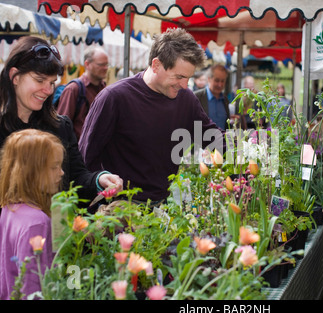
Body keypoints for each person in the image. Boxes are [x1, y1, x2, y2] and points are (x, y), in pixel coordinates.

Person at [79, 28, 224, 204]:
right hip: (121, 207)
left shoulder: (186, 99)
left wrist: (252, 149)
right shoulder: (114, 97)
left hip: (163, 205)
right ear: (156, 65)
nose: (185, 85)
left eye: (188, 78)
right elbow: (85, 157)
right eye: (179, 77)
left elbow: (212, 137)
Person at [0, 36, 122, 203]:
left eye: (51, 82)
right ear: (15, 76)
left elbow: (77, 177)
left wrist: (99, 180)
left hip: (54, 226)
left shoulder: (60, 126)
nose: (48, 90)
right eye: (40, 80)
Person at [0, 129, 65, 299]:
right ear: (30, 172)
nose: (61, 172)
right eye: (54, 167)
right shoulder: (37, 222)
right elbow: (31, 287)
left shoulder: (10, 208)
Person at [56, 47, 109, 140]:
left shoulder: (104, 89)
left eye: (106, 64)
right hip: (78, 150)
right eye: (101, 65)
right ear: (87, 64)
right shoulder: (73, 89)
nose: (105, 68)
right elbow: (61, 126)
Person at [194, 64, 242, 130]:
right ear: (209, 79)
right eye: (217, 80)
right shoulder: (196, 97)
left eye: (223, 81)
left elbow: (225, 124)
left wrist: (232, 122)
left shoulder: (225, 100)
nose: (220, 84)